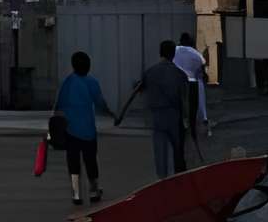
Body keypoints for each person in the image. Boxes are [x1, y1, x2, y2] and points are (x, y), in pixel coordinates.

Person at [117, 39, 192, 181]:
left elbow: (137, 90)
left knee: (160, 149)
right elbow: (184, 100)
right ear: (174, 54)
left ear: (160, 52)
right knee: (178, 148)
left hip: (157, 115)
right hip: (174, 115)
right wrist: (186, 119)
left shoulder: (150, 72)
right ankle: (179, 178)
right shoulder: (180, 74)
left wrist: (120, 116)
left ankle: (161, 179)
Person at [49, 49, 111, 206]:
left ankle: (76, 194)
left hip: (71, 131)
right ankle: (93, 190)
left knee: (73, 162)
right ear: (88, 66)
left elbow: (58, 107)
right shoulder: (92, 82)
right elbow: (100, 103)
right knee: (91, 161)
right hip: (89, 131)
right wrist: (112, 114)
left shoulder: (67, 82)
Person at [172, 35, 210, 156]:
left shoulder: (175, 50)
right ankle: (196, 128)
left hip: (177, 83)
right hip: (194, 84)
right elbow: (202, 72)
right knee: (196, 108)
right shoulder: (196, 54)